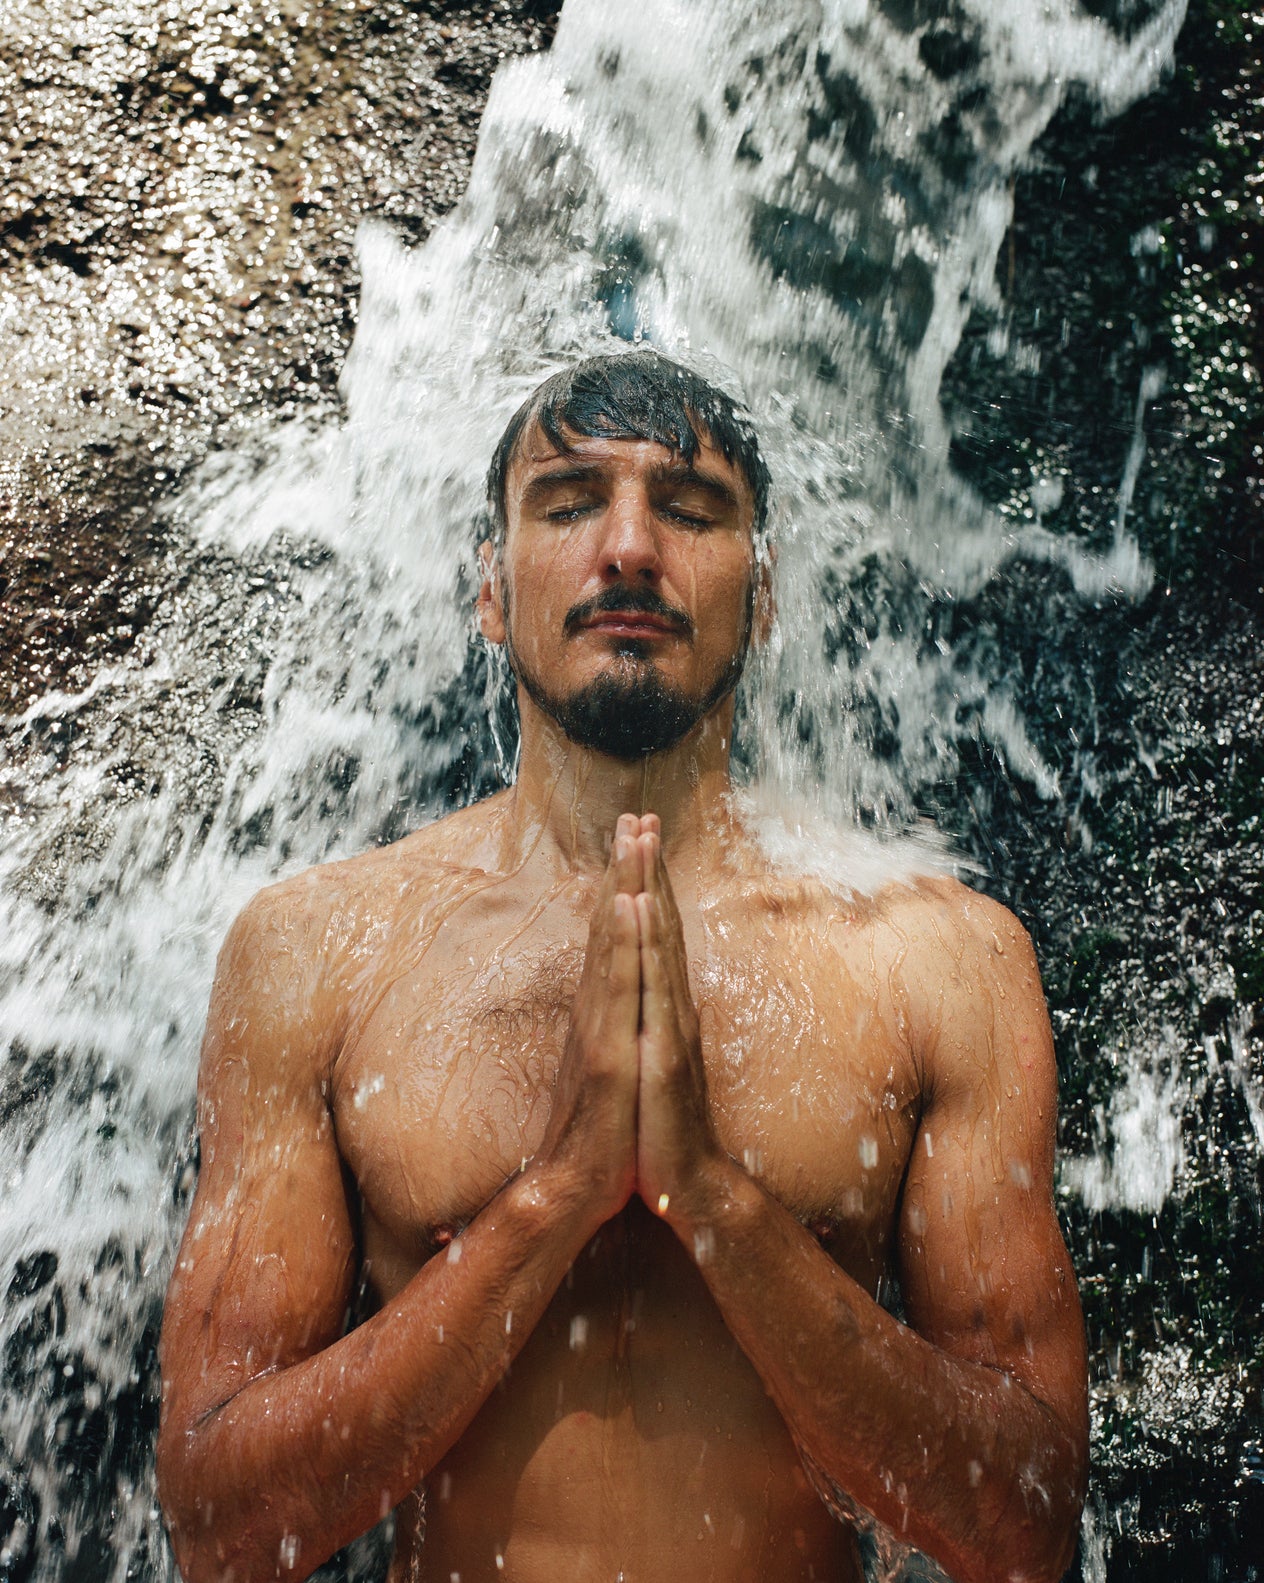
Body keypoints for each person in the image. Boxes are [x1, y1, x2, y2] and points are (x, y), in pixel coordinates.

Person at [156, 351, 1088, 1583]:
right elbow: (221, 1526)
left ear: (763, 598)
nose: (631, 547)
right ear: (490, 588)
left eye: (690, 509)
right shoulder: (316, 953)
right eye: (568, 500)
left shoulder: (940, 957)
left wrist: (715, 1199)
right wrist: (553, 1197)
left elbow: (1023, 1525)